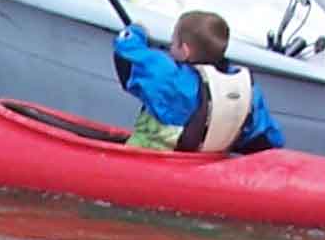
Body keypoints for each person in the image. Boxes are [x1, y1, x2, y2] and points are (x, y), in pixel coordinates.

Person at [113, 9, 283, 154]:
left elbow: (128, 53)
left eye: (173, 43)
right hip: (200, 161)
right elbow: (265, 138)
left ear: (184, 51)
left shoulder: (174, 81)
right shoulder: (244, 89)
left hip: (151, 159)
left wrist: (136, 31)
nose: (170, 48)